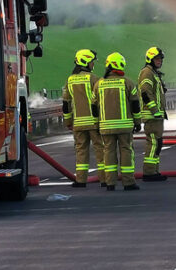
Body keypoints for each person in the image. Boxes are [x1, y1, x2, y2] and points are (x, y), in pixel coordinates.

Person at [94, 52, 142, 191]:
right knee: (126, 151)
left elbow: (93, 106)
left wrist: (97, 124)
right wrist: (137, 122)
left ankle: (110, 183)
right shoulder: (127, 82)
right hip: (124, 126)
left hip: (106, 127)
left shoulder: (99, 84)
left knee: (108, 153)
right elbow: (135, 105)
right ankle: (128, 182)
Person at [62, 49, 104, 188]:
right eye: (92, 62)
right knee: (100, 150)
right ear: (85, 62)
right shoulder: (94, 79)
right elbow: (101, 100)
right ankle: (105, 179)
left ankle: (80, 180)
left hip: (78, 123)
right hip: (94, 122)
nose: (93, 64)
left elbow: (66, 104)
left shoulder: (70, 80)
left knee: (81, 152)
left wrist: (68, 122)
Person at [138, 46, 168, 182]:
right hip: (152, 116)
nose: (159, 61)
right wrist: (155, 111)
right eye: (156, 59)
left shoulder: (153, 73)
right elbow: (145, 92)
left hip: (156, 116)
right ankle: (149, 172)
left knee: (157, 143)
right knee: (154, 143)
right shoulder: (147, 73)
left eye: (160, 59)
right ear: (150, 59)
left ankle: (154, 171)